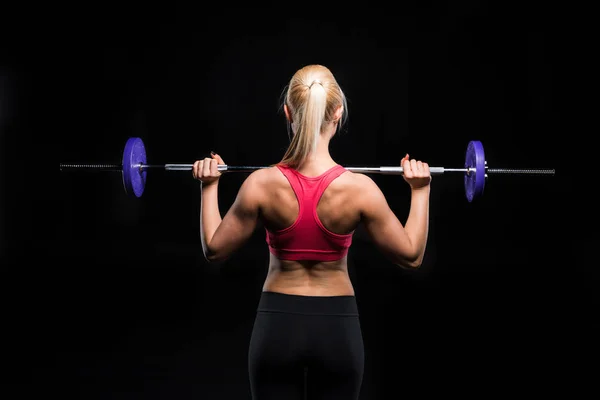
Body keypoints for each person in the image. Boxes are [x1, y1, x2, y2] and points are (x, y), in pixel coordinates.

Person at [192, 64, 431, 400]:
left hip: (276, 328)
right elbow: (412, 256)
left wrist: (209, 186)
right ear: (338, 113)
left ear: (288, 112)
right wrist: (421, 190)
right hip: (338, 329)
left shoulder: (261, 185)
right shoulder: (360, 190)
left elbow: (214, 249)